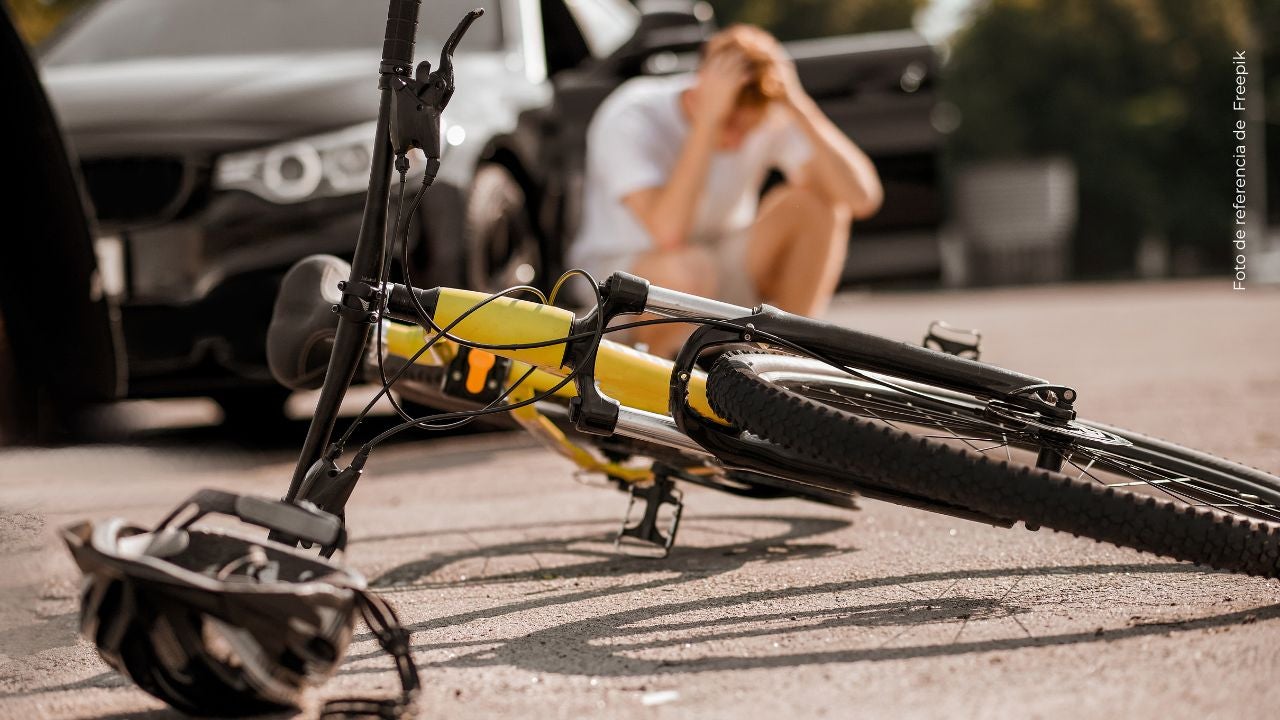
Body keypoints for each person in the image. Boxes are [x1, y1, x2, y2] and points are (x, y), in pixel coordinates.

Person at [568, 24, 883, 357]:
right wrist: (708, 122)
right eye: (729, 123)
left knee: (819, 207)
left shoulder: (761, 112)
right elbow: (668, 233)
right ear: (701, 85)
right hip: (623, 280)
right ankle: (655, 377)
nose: (735, 140)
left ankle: (785, 357)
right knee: (690, 268)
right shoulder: (633, 113)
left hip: (717, 267)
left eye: (747, 128)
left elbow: (862, 198)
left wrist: (797, 102)